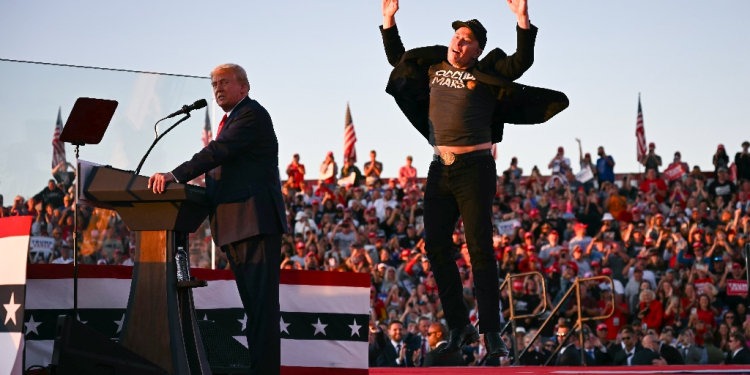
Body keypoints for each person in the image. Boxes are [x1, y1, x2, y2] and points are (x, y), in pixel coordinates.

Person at [379, 0, 566, 359]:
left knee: (480, 250)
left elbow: (520, 62)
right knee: (435, 245)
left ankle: (492, 332)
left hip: (475, 169)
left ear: (477, 49)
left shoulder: (486, 71)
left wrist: (523, 21)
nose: (458, 42)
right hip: (439, 168)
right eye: (456, 36)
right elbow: (398, 61)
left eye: (466, 39)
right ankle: (458, 325)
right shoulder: (433, 67)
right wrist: (388, 21)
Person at [148, 63, 287, 375]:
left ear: (244, 88)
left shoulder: (251, 114)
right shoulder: (232, 120)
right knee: (255, 309)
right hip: (237, 227)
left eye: (224, 82)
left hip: (254, 224)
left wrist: (176, 175)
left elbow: (218, 152)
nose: (217, 89)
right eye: (213, 85)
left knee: (262, 311)